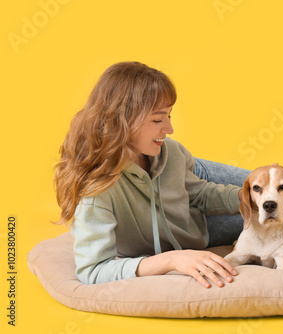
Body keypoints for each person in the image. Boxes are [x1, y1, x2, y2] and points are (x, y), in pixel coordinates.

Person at [54, 61, 253, 289]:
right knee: (278, 214)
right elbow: (93, 270)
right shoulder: (97, 190)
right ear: (121, 121)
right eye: (158, 120)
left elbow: (199, 194)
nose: (169, 129)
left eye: (169, 116)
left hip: (183, 172)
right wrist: (171, 259)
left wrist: (244, 197)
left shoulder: (170, 150)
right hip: (190, 222)